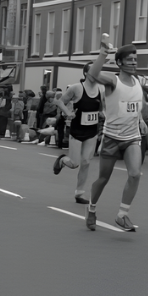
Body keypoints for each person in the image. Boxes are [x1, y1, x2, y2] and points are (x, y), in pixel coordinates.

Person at [83, 35, 147, 232]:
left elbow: (135, 106)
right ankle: (92, 208)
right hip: (111, 137)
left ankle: (122, 215)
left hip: (132, 137)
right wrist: (103, 53)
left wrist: (141, 120)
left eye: (135, 60)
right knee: (103, 178)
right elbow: (93, 75)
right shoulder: (113, 81)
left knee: (135, 174)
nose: (134, 63)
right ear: (119, 62)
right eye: (130, 60)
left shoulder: (138, 81)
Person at [53, 61, 105, 212]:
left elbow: (102, 109)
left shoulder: (100, 89)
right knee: (75, 163)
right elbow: (61, 102)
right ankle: (63, 160)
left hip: (91, 131)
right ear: (86, 73)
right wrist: (68, 113)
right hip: (77, 130)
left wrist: (104, 115)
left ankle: (79, 193)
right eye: (94, 71)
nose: (97, 73)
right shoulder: (77, 88)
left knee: (87, 162)